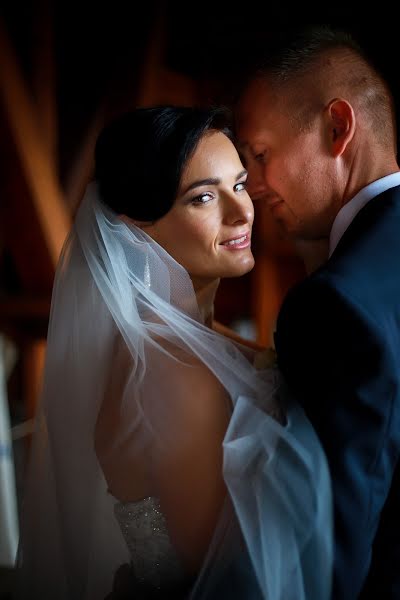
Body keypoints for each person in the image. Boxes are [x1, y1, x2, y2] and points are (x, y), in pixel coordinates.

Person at [17, 105, 332, 600]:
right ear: (136, 228)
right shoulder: (169, 369)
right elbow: (219, 571)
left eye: (241, 185)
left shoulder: (197, 339)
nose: (242, 211)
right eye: (204, 197)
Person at [235, 25, 400, 600]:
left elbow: (328, 553)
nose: (252, 187)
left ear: (337, 127)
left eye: (259, 155)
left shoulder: (337, 304)